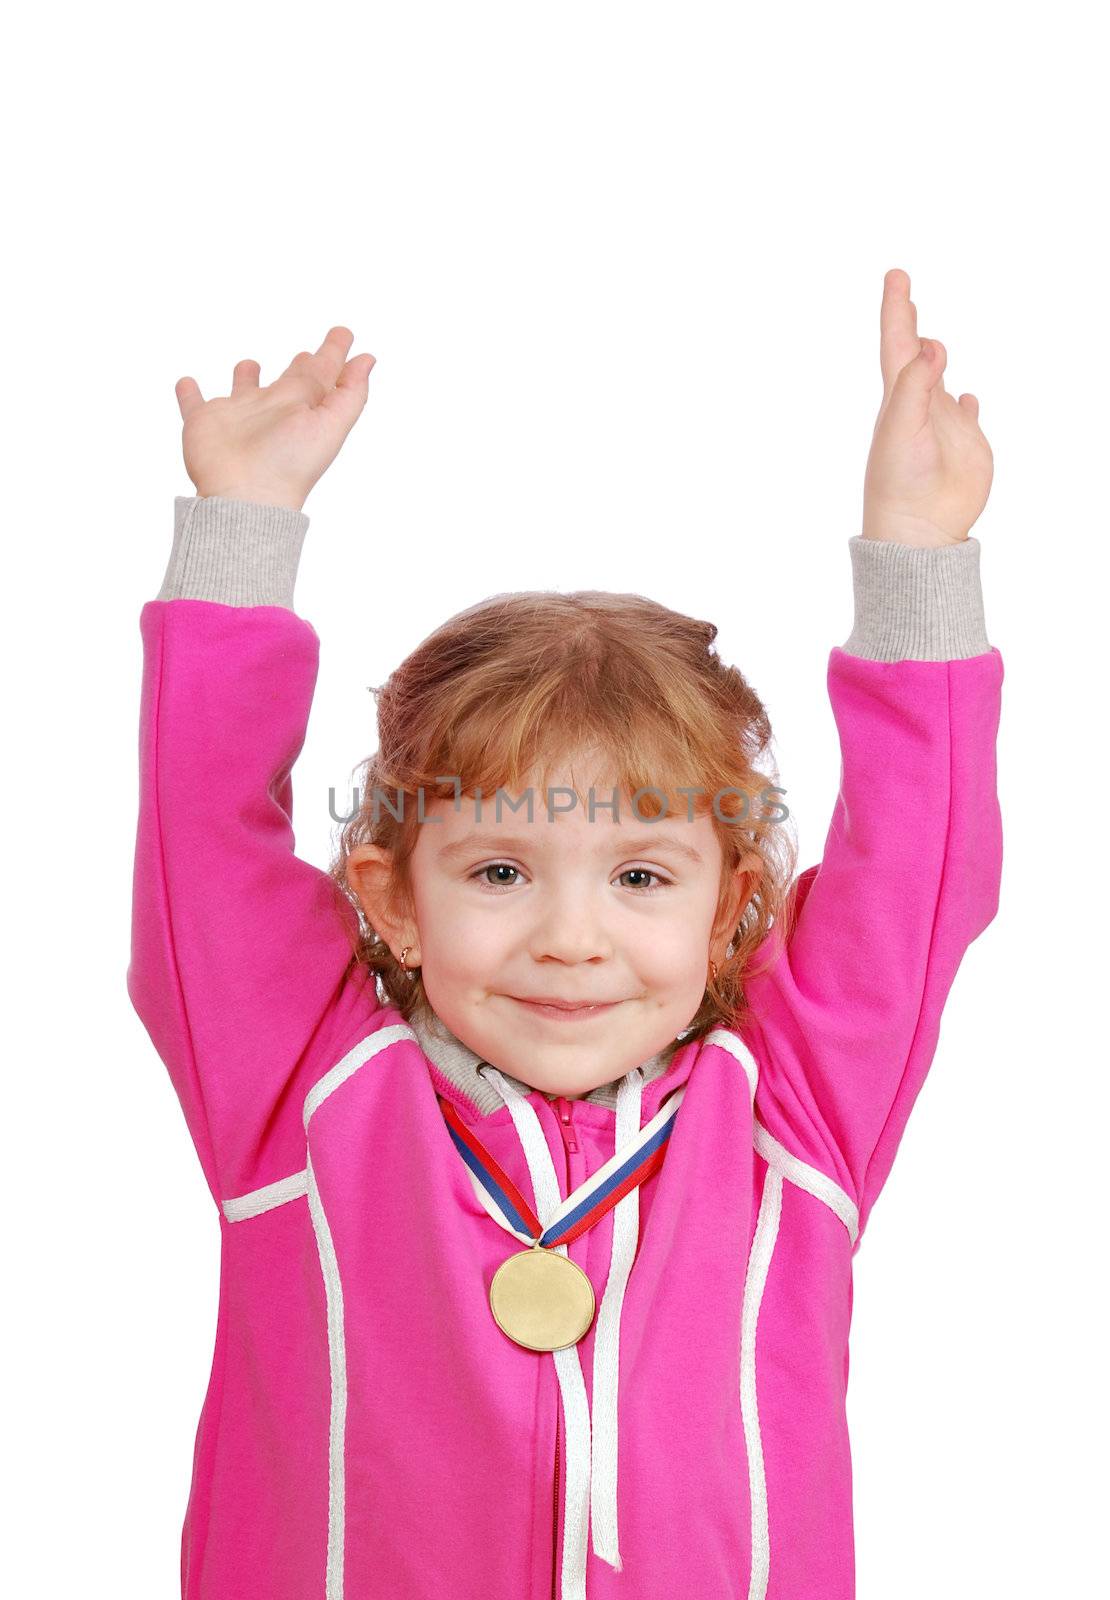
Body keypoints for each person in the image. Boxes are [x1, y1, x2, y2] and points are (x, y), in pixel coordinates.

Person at [126, 267, 1003, 1600]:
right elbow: (201, 837)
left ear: (731, 916)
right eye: (497, 869)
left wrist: (916, 558)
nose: (569, 938)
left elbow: (915, 870)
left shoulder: (791, 1121)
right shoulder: (301, 1096)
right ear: (390, 899)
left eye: (642, 878)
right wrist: (241, 532)